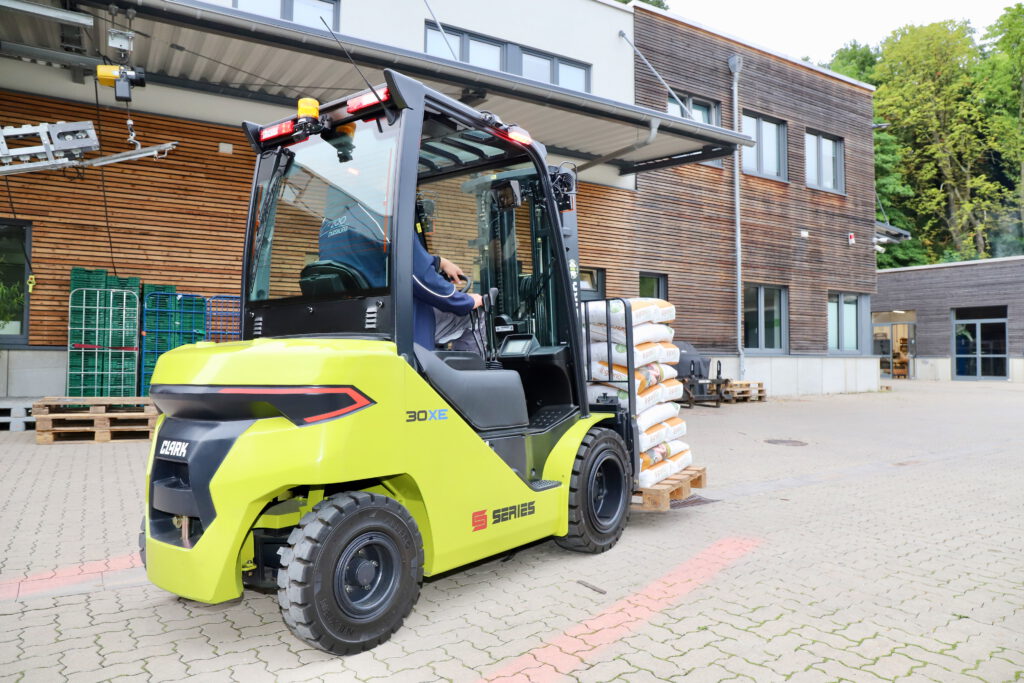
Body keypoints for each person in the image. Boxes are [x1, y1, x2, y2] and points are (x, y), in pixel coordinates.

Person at [412, 234, 482, 349]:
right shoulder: (401, 223)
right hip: (409, 327)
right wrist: (466, 301)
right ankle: (473, 365)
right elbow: (421, 277)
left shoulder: (379, 227)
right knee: (475, 314)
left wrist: (440, 262)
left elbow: (409, 260)